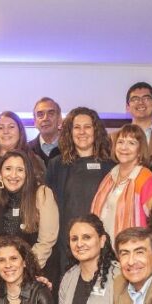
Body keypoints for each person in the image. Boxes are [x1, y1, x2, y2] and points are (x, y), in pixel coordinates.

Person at [47, 107, 114, 273]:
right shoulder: (56, 165)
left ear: (96, 130)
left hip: (102, 243)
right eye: (77, 127)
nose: (82, 132)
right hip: (66, 245)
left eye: (87, 127)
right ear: (69, 132)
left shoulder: (111, 166)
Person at [0, 151, 59, 271]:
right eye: (8, 168)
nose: (13, 175)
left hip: (37, 268)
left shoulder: (42, 194)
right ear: (0, 173)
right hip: (4, 270)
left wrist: (24, 267)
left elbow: (46, 242)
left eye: (20, 170)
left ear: (27, 174)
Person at [90, 124, 152, 239]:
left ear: (140, 150)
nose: (124, 147)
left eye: (131, 143)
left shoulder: (145, 178)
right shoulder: (110, 176)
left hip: (132, 249)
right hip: (105, 250)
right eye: (121, 142)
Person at [28, 97, 62, 164]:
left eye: (51, 113)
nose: (45, 118)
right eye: (40, 115)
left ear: (59, 119)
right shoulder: (26, 151)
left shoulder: (72, 148)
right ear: (35, 121)